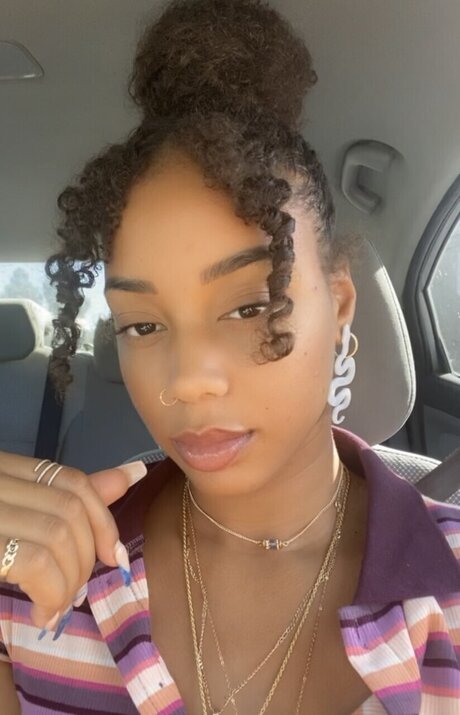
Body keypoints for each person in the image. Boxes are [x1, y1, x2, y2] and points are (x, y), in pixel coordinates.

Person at [1, 1, 460, 713]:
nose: (187, 380)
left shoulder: (448, 583)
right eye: (143, 324)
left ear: (340, 303)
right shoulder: (35, 584)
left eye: (250, 307)